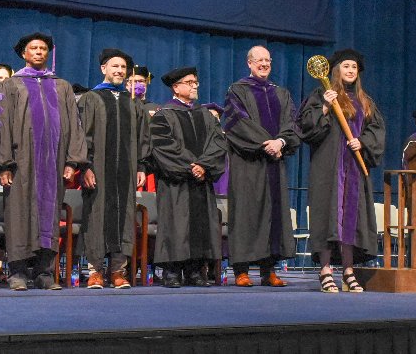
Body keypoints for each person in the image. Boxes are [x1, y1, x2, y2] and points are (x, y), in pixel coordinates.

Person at [0, 31, 87, 291]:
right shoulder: (9, 85)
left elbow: (75, 128)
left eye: (43, 48)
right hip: (21, 163)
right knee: (19, 215)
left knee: (50, 216)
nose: (39, 52)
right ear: (24, 53)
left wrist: (72, 162)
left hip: (53, 165)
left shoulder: (61, 86)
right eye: (34, 48)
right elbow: (1, 125)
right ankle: (18, 271)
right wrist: (4, 164)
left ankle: (44, 272)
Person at [298, 49, 385, 293]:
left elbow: (376, 131)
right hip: (329, 168)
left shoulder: (365, 102)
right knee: (328, 216)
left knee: (352, 219)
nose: (350, 70)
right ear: (336, 70)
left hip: (354, 169)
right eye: (346, 66)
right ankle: (325, 270)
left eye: (354, 67)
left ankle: (348, 271)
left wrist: (363, 142)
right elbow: (305, 125)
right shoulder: (321, 95)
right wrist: (325, 107)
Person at [221, 46, 300, 287]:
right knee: (246, 214)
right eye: (259, 60)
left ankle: (268, 271)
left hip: (275, 163)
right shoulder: (238, 90)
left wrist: (281, 142)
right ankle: (241, 271)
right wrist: (266, 144)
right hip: (248, 163)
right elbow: (237, 124)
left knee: (274, 216)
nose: (264, 64)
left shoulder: (281, 93)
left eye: (268, 60)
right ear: (249, 63)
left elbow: (292, 124)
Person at [76, 49, 150, 289]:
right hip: (97, 170)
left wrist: (140, 166)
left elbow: (142, 139)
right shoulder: (91, 99)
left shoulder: (133, 104)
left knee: (124, 216)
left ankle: (119, 270)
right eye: (114, 66)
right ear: (103, 69)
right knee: (97, 217)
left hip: (125, 172)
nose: (119, 71)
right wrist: (85, 166)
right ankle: (95, 271)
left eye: (122, 68)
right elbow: (82, 136)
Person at [148, 67, 228, 288]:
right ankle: (172, 271)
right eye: (190, 82)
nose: (195, 86)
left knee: (200, 224)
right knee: (176, 222)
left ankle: (194, 271)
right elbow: (163, 147)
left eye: (196, 82)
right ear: (176, 87)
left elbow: (218, 144)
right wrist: (191, 166)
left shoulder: (206, 115)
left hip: (201, 183)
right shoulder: (164, 115)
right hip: (176, 183)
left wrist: (204, 165)